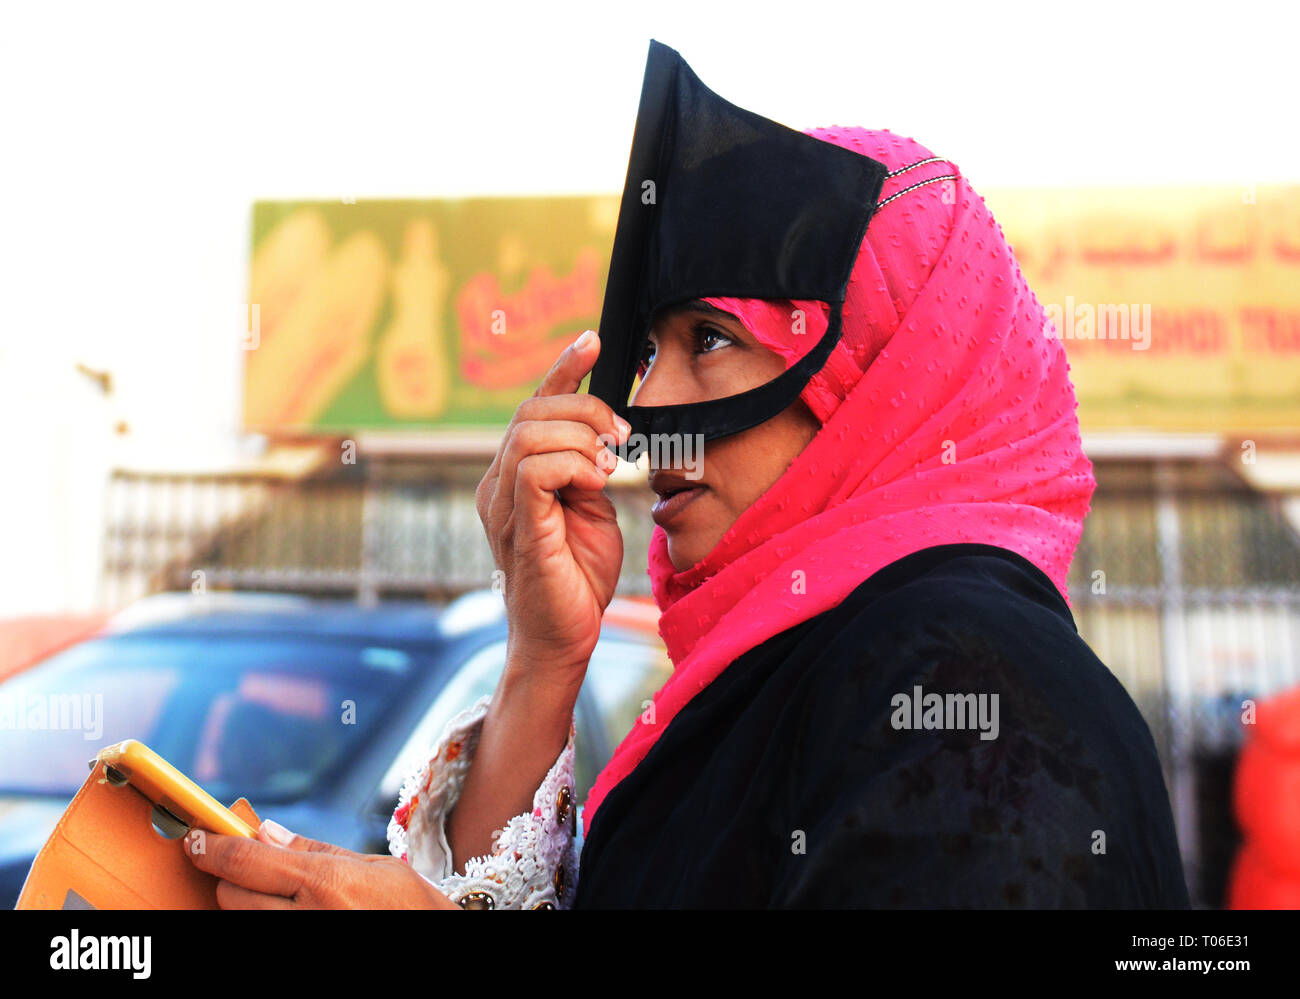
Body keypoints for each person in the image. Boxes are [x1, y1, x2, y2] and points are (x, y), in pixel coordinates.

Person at [185, 125, 1189, 909]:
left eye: (709, 338)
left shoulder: (968, 681)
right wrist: (541, 662)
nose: (646, 407)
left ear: (879, 369)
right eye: (649, 351)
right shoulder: (799, 669)